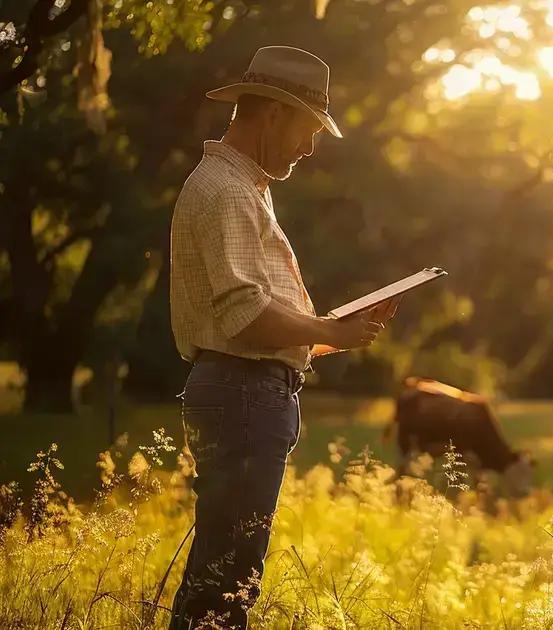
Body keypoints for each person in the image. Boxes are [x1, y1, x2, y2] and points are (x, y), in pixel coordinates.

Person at [167, 45, 395, 629]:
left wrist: (328, 335)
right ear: (273, 114)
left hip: (248, 390)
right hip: (244, 393)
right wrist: (327, 331)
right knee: (228, 573)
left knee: (226, 566)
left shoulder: (243, 187)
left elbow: (249, 318)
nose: (311, 146)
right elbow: (245, 314)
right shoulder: (228, 191)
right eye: (308, 128)